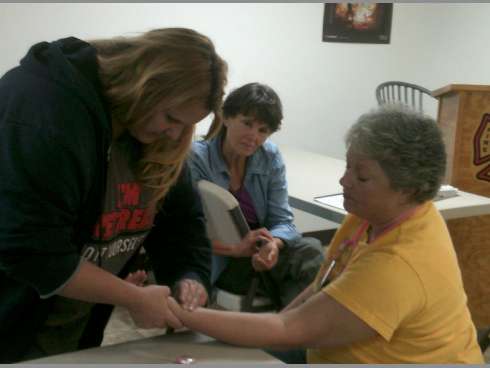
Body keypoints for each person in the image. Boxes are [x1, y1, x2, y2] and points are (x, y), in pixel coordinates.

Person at [169, 106, 484, 363]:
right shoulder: (370, 215)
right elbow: (319, 288)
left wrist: (184, 314)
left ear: (408, 190)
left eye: (361, 176)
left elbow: (288, 329)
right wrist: (263, 338)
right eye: (348, 167)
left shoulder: (398, 264)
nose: (344, 181)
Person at [0, 28, 227, 362]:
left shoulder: (157, 133)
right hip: (12, 316)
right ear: (145, 85)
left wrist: (189, 277)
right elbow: (31, 251)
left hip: (74, 328)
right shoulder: (43, 110)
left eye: (187, 125)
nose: (175, 133)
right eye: (170, 118)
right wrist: (132, 297)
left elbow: (182, 227)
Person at [188, 82, 324, 308]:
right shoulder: (197, 159)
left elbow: (283, 221)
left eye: (263, 130)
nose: (253, 136)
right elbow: (185, 230)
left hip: (259, 253)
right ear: (226, 116)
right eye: (247, 123)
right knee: (305, 273)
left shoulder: (269, 156)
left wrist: (274, 245)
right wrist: (235, 249)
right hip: (220, 257)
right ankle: (294, 331)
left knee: (311, 251)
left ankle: (292, 332)